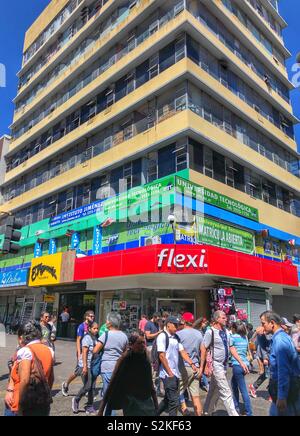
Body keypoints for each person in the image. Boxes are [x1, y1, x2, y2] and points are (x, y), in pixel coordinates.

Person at [199, 311, 249, 416]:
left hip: (224, 365)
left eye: (225, 317)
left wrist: (241, 362)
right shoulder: (210, 332)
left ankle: (206, 412)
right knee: (226, 392)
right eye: (223, 317)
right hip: (216, 365)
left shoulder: (226, 331)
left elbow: (231, 347)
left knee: (214, 390)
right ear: (217, 319)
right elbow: (203, 348)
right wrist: (202, 367)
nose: (226, 319)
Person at [98, 332, 158, 416]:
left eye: (144, 342)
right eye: (139, 343)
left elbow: (150, 382)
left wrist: (156, 405)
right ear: (131, 345)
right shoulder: (125, 358)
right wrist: (101, 410)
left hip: (146, 400)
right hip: (131, 402)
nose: (142, 346)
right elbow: (112, 382)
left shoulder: (145, 356)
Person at [5, 322, 54, 416]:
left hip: (21, 402)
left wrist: (20, 405)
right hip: (41, 402)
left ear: (21, 338)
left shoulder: (25, 351)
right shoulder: (49, 350)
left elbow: (24, 380)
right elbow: (51, 378)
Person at [156, 316, 199, 417]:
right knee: (174, 402)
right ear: (168, 325)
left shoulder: (175, 337)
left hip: (175, 373)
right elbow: (161, 356)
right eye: (175, 325)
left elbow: (182, 351)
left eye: (178, 325)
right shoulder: (162, 336)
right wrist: (170, 372)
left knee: (168, 400)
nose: (177, 327)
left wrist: (191, 363)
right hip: (167, 374)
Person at [260, 311, 300, 416]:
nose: (262, 326)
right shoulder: (280, 337)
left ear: (272, 323)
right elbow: (267, 348)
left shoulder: (280, 340)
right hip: (286, 387)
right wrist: (260, 336)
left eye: (263, 323)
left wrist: (282, 396)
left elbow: (283, 370)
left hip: (286, 389)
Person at [93, 312, 128, 416]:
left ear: (110, 323)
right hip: (119, 368)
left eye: (107, 320)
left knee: (108, 395)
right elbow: (126, 352)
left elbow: (95, 350)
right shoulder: (124, 336)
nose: (106, 322)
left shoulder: (106, 334)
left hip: (107, 367)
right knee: (115, 393)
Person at [62, 310, 95, 396]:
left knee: (87, 370)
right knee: (78, 371)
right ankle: (66, 384)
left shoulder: (92, 326)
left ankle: (87, 388)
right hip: (82, 352)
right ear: (86, 317)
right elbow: (78, 340)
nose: (92, 317)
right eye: (91, 316)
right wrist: (79, 352)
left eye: (93, 316)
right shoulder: (81, 326)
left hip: (89, 353)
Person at [177, 312, 203, 416]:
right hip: (195, 367)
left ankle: (184, 410)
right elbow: (203, 351)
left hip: (183, 367)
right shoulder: (199, 334)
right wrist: (201, 367)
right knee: (196, 397)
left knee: (177, 391)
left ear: (183, 321)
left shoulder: (179, 334)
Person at [72, 322, 99, 415]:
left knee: (92, 387)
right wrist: (84, 367)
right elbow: (84, 353)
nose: (96, 330)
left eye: (97, 328)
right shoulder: (87, 338)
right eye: (94, 328)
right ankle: (76, 400)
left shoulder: (95, 338)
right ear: (90, 329)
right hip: (85, 365)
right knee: (88, 386)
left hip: (92, 365)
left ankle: (90, 406)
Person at [230, 322, 253, 416]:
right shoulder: (245, 338)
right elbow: (247, 350)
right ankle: (236, 407)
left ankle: (248, 412)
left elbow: (231, 350)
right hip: (245, 364)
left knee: (243, 389)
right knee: (233, 383)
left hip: (237, 365)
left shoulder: (232, 338)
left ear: (234, 328)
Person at [248, 326, 271, 399]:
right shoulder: (264, 334)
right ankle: (271, 393)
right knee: (270, 374)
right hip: (266, 357)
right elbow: (263, 347)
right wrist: (265, 358)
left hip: (267, 357)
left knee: (267, 374)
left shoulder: (268, 333)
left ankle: (254, 386)